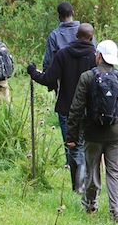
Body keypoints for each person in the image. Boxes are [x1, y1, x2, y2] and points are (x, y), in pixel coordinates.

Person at [66, 40, 118, 224]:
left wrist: (72, 136)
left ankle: (91, 206)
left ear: (98, 56)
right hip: (117, 134)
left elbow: (76, 109)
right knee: (116, 173)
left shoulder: (87, 77)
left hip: (92, 134)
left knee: (92, 171)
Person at [27, 23, 96, 192]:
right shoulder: (96, 56)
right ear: (91, 38)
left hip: (67, 108)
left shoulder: (63, 54)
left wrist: (33, 72)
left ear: (75, 36)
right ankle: (89, 185)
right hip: (91, 110)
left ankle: (77, 186)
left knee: (73, 146)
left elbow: (49, 79)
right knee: (89, 146)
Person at [42, 2, 81, 70]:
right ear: (73, 13)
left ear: (59, 17)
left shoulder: (54, 35)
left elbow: (48, 63)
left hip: (63, 77)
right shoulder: (86, 30)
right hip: (84, 74)